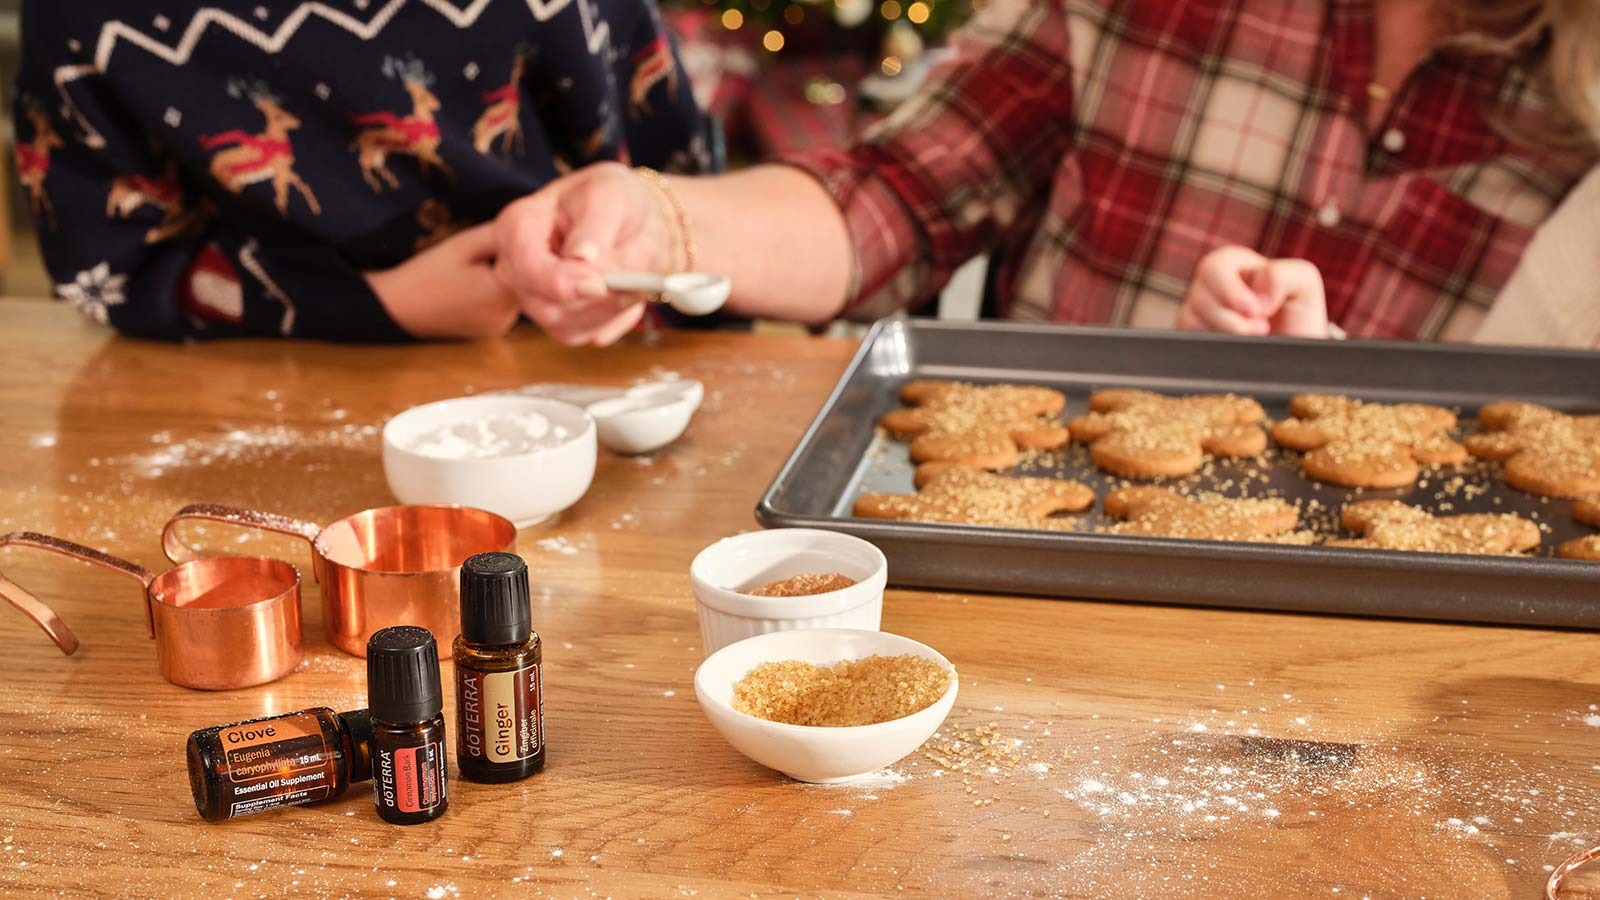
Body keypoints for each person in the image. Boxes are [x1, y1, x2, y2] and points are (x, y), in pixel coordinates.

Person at [493, 0, 1599, 347]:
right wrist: (663, 227)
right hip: (1045, 561)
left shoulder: (1578, 116)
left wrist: (1338, 392)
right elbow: (896, 195)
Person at [15, 0, 708, 340]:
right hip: (262, 384)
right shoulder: (88, 19)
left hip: (598, 372)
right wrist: (383, 304)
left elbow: (683, 183)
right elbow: (109, 271)